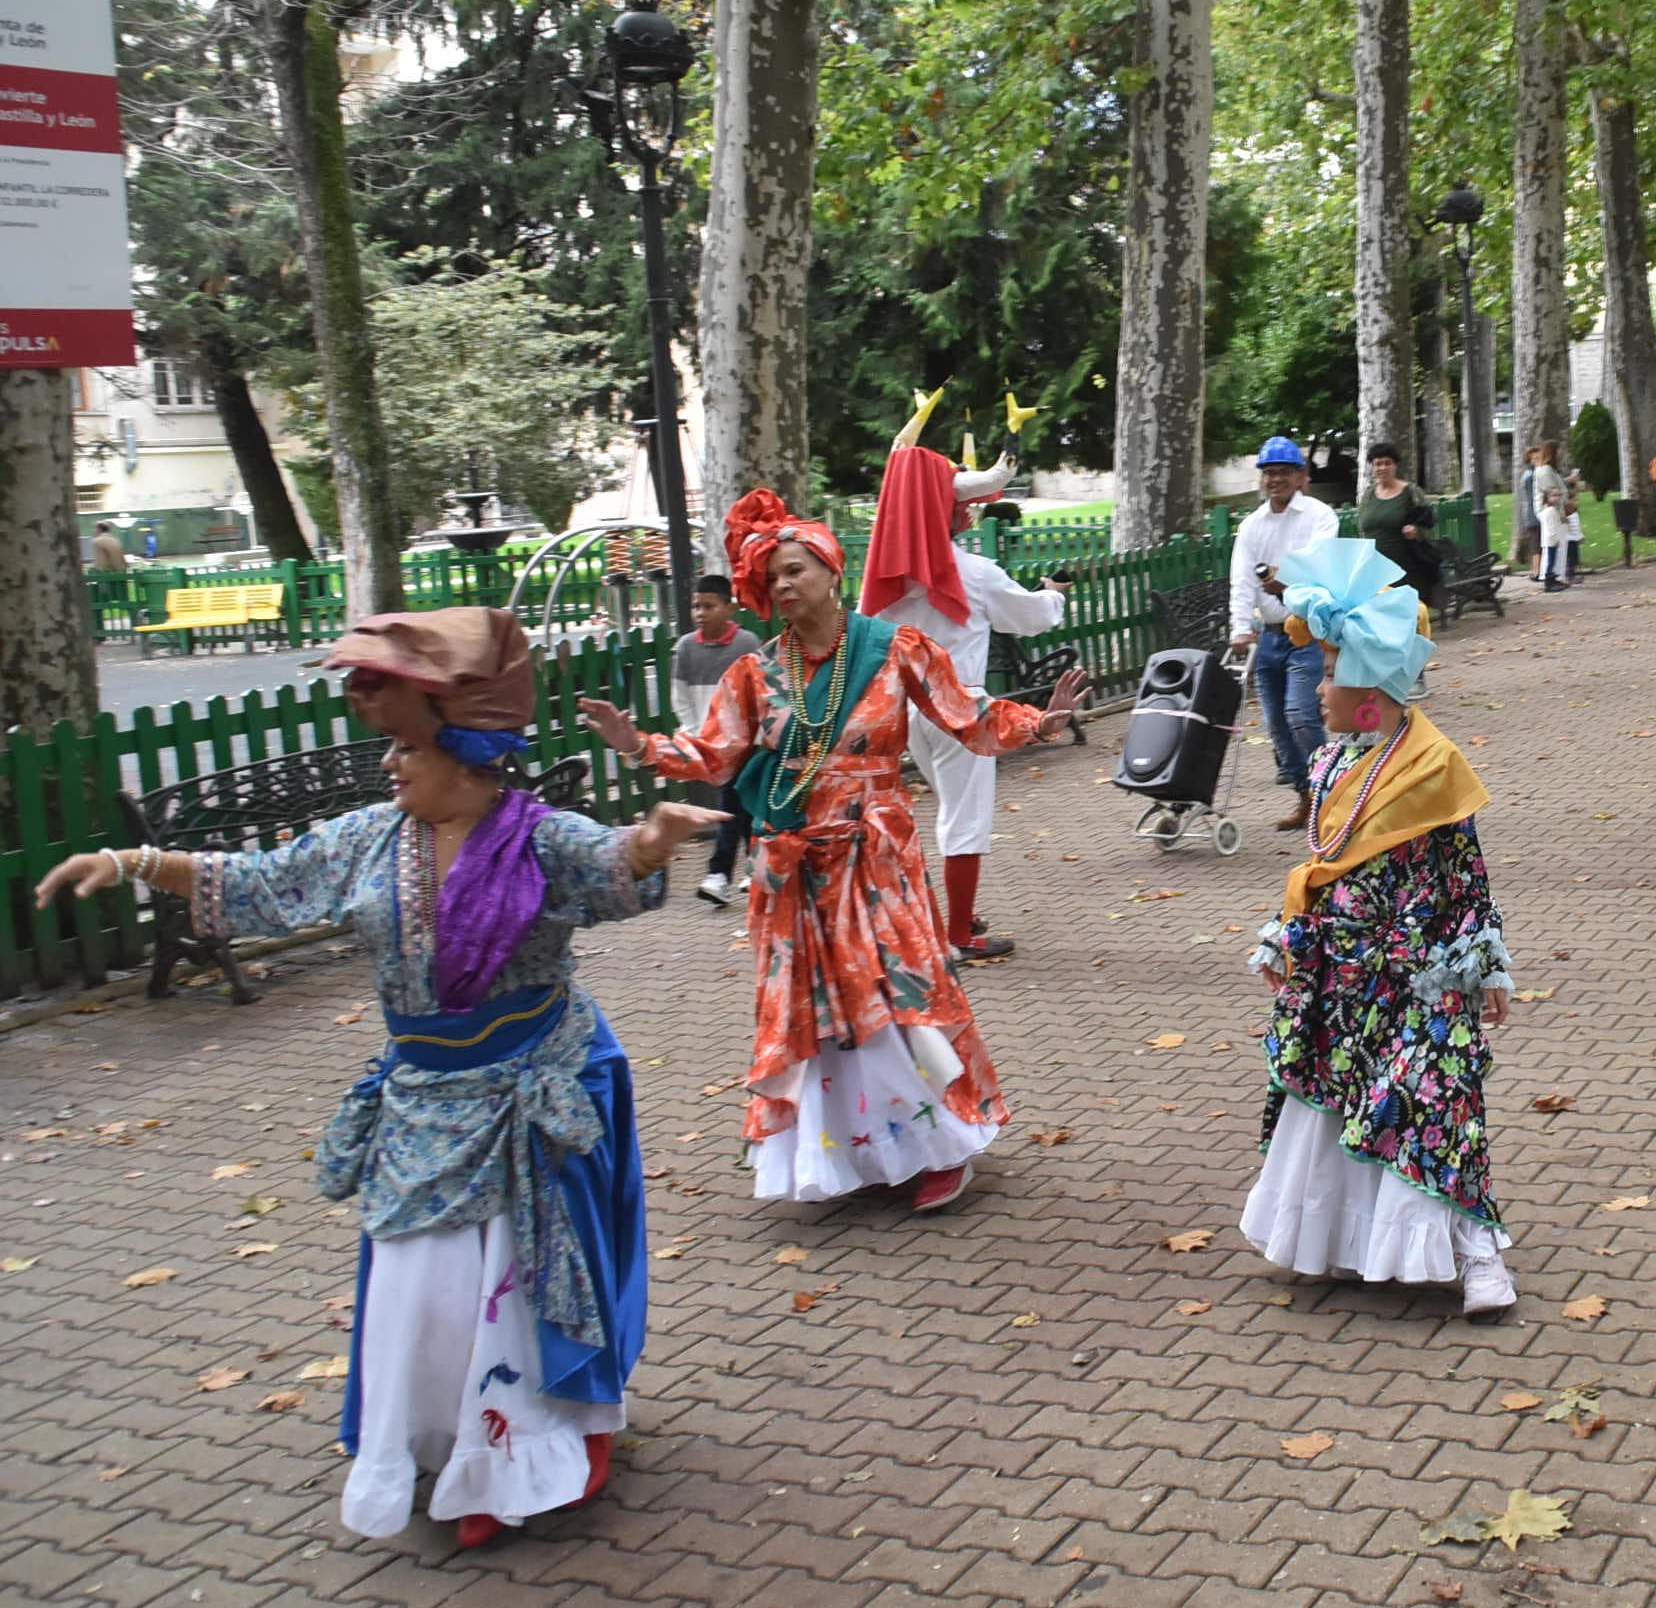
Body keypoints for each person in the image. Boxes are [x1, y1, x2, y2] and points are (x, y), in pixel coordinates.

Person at [34, 608, 716, 1546]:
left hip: (530, 1090)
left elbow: (607, 867)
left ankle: (539, 1447)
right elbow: (263, 879)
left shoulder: (536, 836)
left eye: (409, 751)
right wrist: (132, 859)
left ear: (469, 755)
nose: (390, 766)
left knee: (515, 1287)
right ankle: (450, 1441)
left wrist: (650, 840)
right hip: (423, 1103)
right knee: (421, 1288)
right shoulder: (367, 838)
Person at [581, 492, 1088, 1214]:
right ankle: (852, 1153)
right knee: (819, 1009)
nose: (784, 584)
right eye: (773, 575)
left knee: (898, 994)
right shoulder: (754, 674)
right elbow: (713, 755)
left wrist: (1039, 723)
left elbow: (968, 718)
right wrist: (638, 745)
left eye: (796, 569)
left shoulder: (894, 648)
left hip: (875, 856)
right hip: (794, 864)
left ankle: (938, 1148)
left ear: (831, 571)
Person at [1239, 540, 1519, 1319]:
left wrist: (1483, 963)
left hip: (1421, 973)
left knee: (1436, 1097)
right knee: (1336, 1100)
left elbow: (1465, 877)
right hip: (1339, 975)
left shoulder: (1433, 766)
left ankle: (1477, 1252)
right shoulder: (1329, 764)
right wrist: (1285, 935)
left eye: (1329, 671)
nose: (1317, 685)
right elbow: (1320, 868)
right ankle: (1339, 1239)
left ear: (1370, 690)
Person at [860, 413, 1071, 957]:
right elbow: (1030, 617)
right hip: (962, 713)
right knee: (965, 818)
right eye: (959, 506)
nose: (967, 514)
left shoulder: (886, 578)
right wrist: (1054, 594)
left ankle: (954, 915)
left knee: (949, 812)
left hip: (906, 713)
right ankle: (956, 934)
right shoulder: (972, 572)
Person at [1226, 436, 1343, 824]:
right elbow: (1242, 581)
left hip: (1308, 629)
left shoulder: (1319, 516)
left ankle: (1328, 789)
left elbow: (1321, 565)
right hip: (1270, 633)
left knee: (1301, 715)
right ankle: (1305, 794)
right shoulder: (1251, 525)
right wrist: (1240, 628)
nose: (1275, 480)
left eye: (1283, 473)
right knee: (1276, 721)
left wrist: (1289, 583)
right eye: (1268, 473)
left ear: (1300, 477)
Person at [673, 575, 763, 908]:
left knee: (733, 804)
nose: (700, 612)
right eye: (696, 605)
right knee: (739, 805)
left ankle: (719, 874)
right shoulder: (685, 648)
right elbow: (680, 694)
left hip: (745, 741)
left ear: (729, 607)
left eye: (709, 605)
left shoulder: (747, 643)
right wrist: (695, 731)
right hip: (711, 743)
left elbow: (761, 688)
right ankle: (753, 867)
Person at [1355, 441, 1441, 607]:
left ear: (1395, 465)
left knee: (1406, 615)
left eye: (1387, 463)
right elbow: (1363, 526)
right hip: (1375, 569)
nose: (1382, 468)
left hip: (1405, 568)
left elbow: (1430, 523)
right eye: (1377, 464)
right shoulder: (1368, 495)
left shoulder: (1411, 492)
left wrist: (1416, 531)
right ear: (1372, 467)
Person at [1530, 439, 1578, 592]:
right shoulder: (1545, 471)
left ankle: (1555, 576)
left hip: (1553, 511)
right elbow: (1552, 494)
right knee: (1551, 543)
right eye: (1559, 450)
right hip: (1549, 511)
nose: (1561, 453)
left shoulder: (1550, 470)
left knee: (1557, 543)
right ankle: (1549, 579)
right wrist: (1561, 512)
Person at [1511, 442, 1545, 575]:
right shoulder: (1532, 475)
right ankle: (1536, 570)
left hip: (1532, 512)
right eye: (1535, 458)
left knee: (1537, 542)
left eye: (1539, 457)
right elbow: (1535, 495)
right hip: (1534, 513)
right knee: (1536, 543)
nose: (1538, 460)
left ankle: (1537, 569)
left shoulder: (1530, 473)